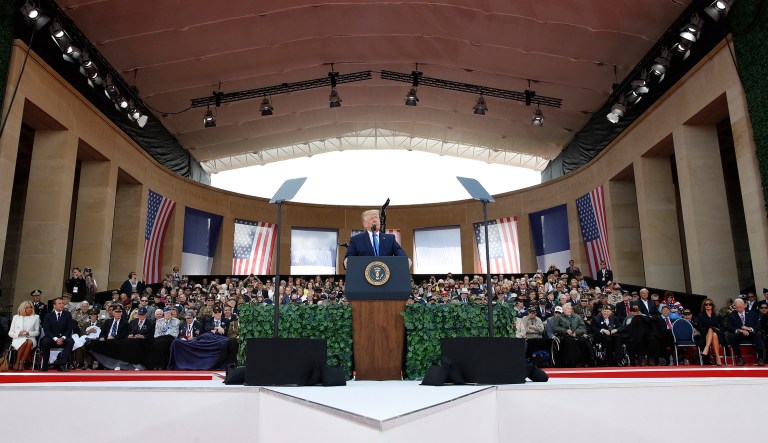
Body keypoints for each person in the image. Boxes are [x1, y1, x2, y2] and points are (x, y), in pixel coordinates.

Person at [344, 209, 409, 268]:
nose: (375, 220)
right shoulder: (356, 240)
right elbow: (349, 258)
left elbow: (399, 251)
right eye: (371, 218)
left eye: (376, 218)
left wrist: (406, 260)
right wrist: (347, 261)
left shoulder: (390, 239)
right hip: (364, 276)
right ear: (365, 224)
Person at [39, 297, 75, 372]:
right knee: (45, 341)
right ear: (54, 305)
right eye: (59, 303)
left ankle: (62, 364)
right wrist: (55, 338)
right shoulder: (48, 315)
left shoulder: (67, 315)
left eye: (62, 303)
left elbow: (69, 329)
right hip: (51, 338)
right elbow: (47, 330)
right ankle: (45, 365)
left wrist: (62, 338)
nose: (62, 305)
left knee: (70, 341)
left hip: (63, 338)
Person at [726, 298, 765, 366]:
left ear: (744, 306)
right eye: (737, 307)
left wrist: (749, 329)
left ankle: (760, 358)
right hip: (739, 334)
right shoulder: (731, 315)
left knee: (758, 334)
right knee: (731, 336)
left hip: (751, 333)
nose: (739, 309)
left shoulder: (752, 313)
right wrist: (740, 330)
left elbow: (758, 325)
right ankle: (740, 358)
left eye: (740, 307)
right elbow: (729, 327)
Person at [8, 301, 40, 371]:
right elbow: (10, 333)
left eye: (31, 307)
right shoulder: (16, 317)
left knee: (29, 341)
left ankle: (20, 362)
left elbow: (37, 332)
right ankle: (18, 362)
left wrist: (29, 333)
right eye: (27, 307)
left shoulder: (36, 317)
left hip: (30, 338)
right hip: (18, 339)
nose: (29, 309)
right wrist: (18, 334)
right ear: (23, 308)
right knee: (25, 342)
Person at [697, 298, 723, 366]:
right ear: (704, 306)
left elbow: (723, 327)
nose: (708, 305)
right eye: (706, 304)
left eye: (710, 304)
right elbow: (700, 327)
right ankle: (717, 357)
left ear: (712, 305)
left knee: (713, 332)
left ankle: (707, 348)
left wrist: (715, 329)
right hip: (705, 335)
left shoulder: (717, 315)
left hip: (717, 334)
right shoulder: (700, 315)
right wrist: (707, 330)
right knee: (710, 330)